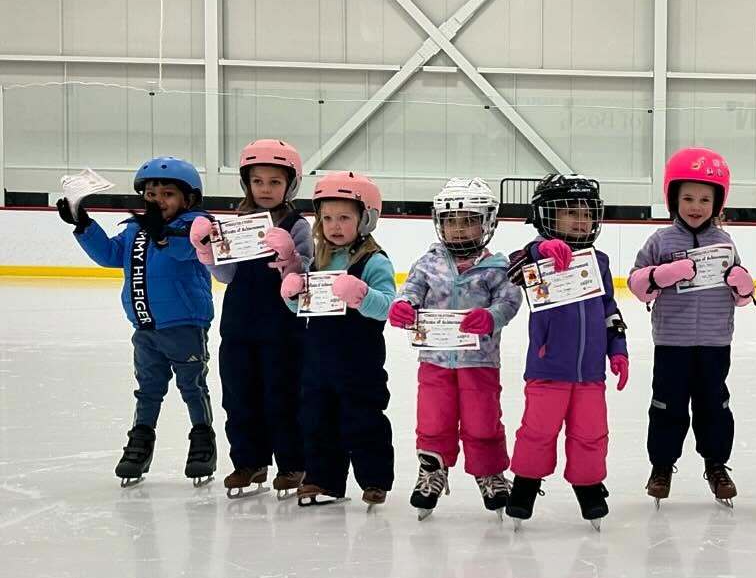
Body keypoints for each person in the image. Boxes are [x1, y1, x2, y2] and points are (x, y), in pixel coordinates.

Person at [60, 157, 216, 487]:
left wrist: (162, 235)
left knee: (192, 387)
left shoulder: (197, 227)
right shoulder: (135, 231)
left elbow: (187, 252)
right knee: (147, 391)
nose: (157, 199)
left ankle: (202, 442)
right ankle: (139, 444)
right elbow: (109, 256)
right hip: (145, 327)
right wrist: (83, 224)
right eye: (150, 193)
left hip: (184, 325)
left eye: (167, 194)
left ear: (188, 199)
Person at [388, 177, 522, 519]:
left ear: (486, 223)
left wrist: (492, 317)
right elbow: (412, 289)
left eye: (469, 221)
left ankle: (489, 472)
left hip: (480, 362)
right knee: (434, 417)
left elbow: (509, 300)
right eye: (451, 222)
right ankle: (432, 469)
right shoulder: (428, 263)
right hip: (434, 360)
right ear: (440, 223)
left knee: (483, 419)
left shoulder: (496, 268)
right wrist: (405, 305)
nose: (459, 230)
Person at [629, 147, 755, 506]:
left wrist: (742, 284)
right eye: (687, 197)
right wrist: (660, 274)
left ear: (717, 202)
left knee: (714, 405)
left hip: (715, 342)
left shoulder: (724, 242)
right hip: (672, 342)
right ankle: (662, 467)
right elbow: (637, 285)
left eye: (704, 198)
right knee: (667, 406)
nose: (695, 206)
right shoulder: (660, 241)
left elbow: (742, 297)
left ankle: (716, 465)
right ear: (673, 198)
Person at [504, 174, 628, 529]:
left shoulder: (598, 262)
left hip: (590, 373)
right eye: (569, 212)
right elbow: (511, 273)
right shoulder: (532, 256)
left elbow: (609, 309)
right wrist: (536, 252)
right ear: (547, 217)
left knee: (591, 432)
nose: (580, 219)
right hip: (547, 368)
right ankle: (525, 486)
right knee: (537, 431)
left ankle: (589, 487)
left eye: (586, 212)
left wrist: (617, 349)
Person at [190, 139, 312, 499]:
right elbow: (226, 276)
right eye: (258, 181)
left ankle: (292, 464)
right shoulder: (238, 224)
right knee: (239, 397)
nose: (265, 189)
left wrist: (290, 259)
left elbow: (305, 276)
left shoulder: (297, 225)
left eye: (274, 182)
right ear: (247, 184)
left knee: (283, 397)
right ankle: (248, 461)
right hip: (239, 326)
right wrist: (207, 252)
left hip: (283, 329)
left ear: (290, 184)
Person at [279, 171, 396, 507]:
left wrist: (362, 294)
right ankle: (322, 479)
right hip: (317, 362)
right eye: (327, 217)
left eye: (344, 217)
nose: (334, 225)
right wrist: (291, 292)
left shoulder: (375, 261)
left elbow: (387, 305)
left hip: (360, 364)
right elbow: (304, 306)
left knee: (363, 421)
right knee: (316, 421)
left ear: (366, 219)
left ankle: (374, 479)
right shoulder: (319, 259)